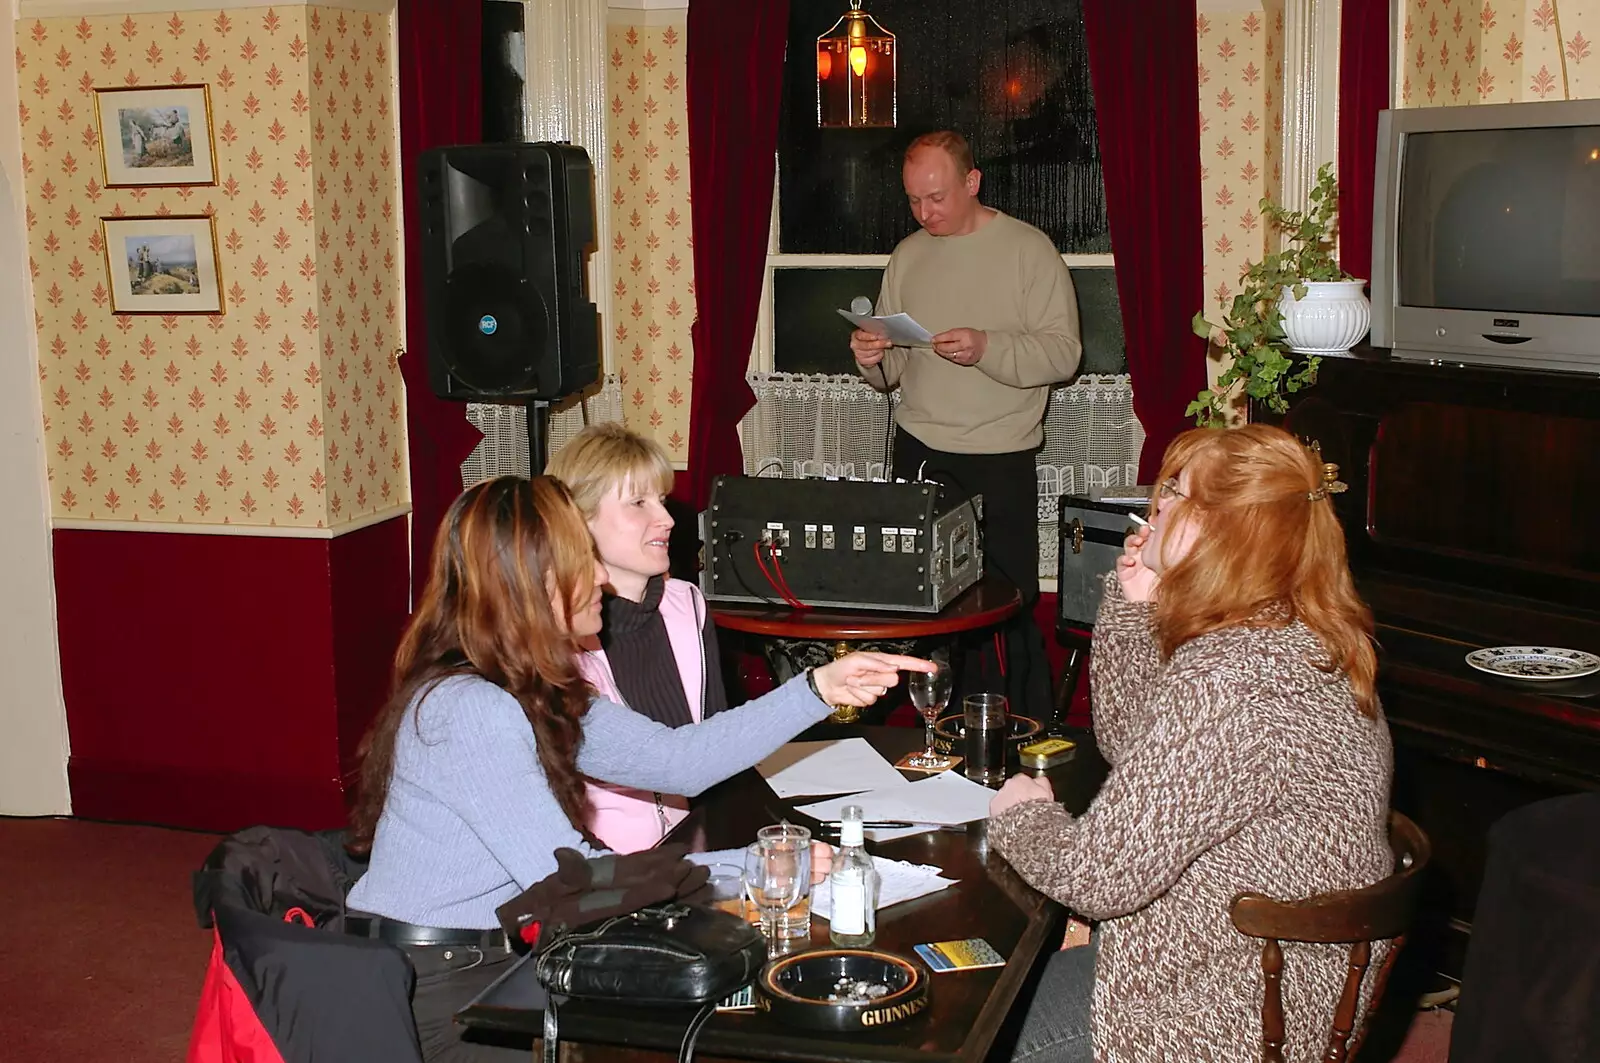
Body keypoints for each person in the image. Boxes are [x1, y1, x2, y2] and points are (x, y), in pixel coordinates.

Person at [344, 475, 930, 1062]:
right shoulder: (471, 708)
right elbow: (573, 885)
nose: (602, 577)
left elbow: (679, 760)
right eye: (584, 562)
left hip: (490, 963)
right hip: (440, 990)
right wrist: (754, 864)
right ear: (535, 581)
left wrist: (819, 687)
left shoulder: (530, 687)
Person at [985, 424, 1394, 1063]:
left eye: (1175, 493)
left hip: (1216, 1012)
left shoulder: (1234, 672)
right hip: (1244, 964)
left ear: (1224, 530)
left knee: (974, 1035)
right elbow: (1133, 743)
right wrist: (1135, 606)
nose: (1154, 505)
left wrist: (1019, 814)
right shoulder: (1293, 629)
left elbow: (1096, 877)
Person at [849, 130, 1082, 717]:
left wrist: (987, 347)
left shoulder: (1030, 250)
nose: (924, 213)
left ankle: (1011, 732)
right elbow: (892, 375)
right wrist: (871, 358)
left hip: (1001, 459)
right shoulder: (908, 254)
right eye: (913, 201)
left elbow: (1063, 356)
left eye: (936, 198)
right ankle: (924, 733)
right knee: (920, 608)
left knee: (1002, 610)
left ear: (972, 182)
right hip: (920, 450)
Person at [546, 423, 724, 853]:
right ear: (579, 521)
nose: (665, 519)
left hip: (687, 853)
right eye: (638, 503)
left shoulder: (688, 605)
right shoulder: (552, 633)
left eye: (661, 501)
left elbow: (719, 750)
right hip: (596, 872)